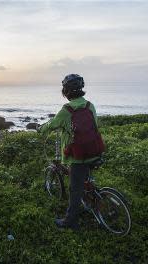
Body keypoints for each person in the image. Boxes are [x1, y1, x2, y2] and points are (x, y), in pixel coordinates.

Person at [38, 74, 100, 230]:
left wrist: (40, 129)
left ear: (66, 92)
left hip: (77, 156)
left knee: (75, 189)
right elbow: (95, 126)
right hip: (94, 150)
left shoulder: (67, 109)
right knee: (84, 182)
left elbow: (52, 124)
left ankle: (70, 221)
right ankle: (89, 202)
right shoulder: (89, 106)